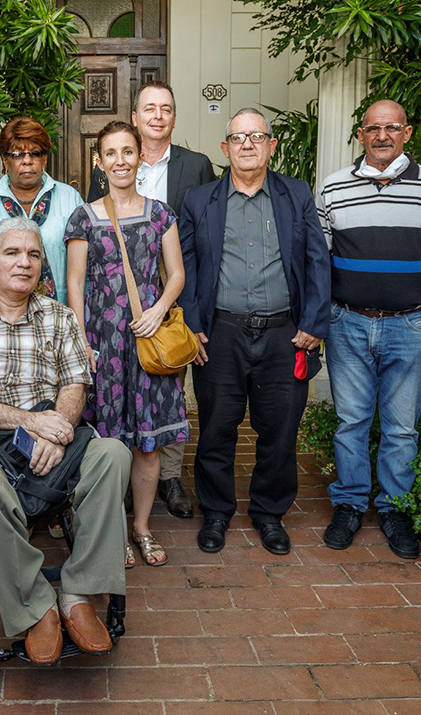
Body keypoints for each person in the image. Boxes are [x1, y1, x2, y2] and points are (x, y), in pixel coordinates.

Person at [0, 217, 131, 665]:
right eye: (12, 253)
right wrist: (30, 422)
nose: (24, 262)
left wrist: (56, 430)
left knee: (113, 454)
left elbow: (76, 385)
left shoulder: (59, 317)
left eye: (33, 254)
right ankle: (35, 606)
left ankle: (78, 592)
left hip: (53, 440)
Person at [316, 99, 421, 559]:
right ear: (361, 134)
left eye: (391, 128)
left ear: (407, 133)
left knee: (401, 429)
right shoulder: (332, 189)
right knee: (351, 422)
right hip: (347, 322)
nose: (382, 135)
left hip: (412, 325)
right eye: (373, 128)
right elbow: (316, 262)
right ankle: (349, 505)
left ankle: (394, 509)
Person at [178, 108, 331, 557]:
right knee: (216, 428)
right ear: (224, 149)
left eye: (257, 136)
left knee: (280, 429)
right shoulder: (198, 200)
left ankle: (268, 513)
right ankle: (218, 512)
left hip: (285, 334)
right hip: (220, 334)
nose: (247, 144)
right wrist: (192, 325)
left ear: (271, 146)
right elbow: (184, 266)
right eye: (238, 138)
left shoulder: (296, 195)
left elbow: (317, 262)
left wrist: (314, 323)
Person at [87, 79, 216, 520]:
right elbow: (98, 246)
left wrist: (185, 313)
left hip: (168, 302)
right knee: (117, 404)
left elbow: (200, 245)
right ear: (137, 117)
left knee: (165, 391)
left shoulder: (197, 165)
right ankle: (119, 493)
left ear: (173, 118)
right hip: (115, 312)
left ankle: (170, 479)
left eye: (166, 108)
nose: (158, 115)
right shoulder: (111, 165)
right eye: (150, 108)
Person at [66, 120, 190, 568]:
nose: (120, 161)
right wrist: (81, 341)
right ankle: (112, 528)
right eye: (110, 153)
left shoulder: (161, 213)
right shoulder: (84, 216)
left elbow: (175, 274)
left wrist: (158, 310)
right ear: (99, 162)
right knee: (107, 442)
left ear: (140, 158)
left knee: (148, 442)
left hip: (148, 342)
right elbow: (75, 284)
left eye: (127, 152)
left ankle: (141, 527)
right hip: (104, 345)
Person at [0, 116, 82, 304]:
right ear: (5, 160)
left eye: (35, 153)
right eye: (17, 154)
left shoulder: (69, 199)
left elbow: (85, 269)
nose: (27, 161)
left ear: (45, 159)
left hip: (57, 318)